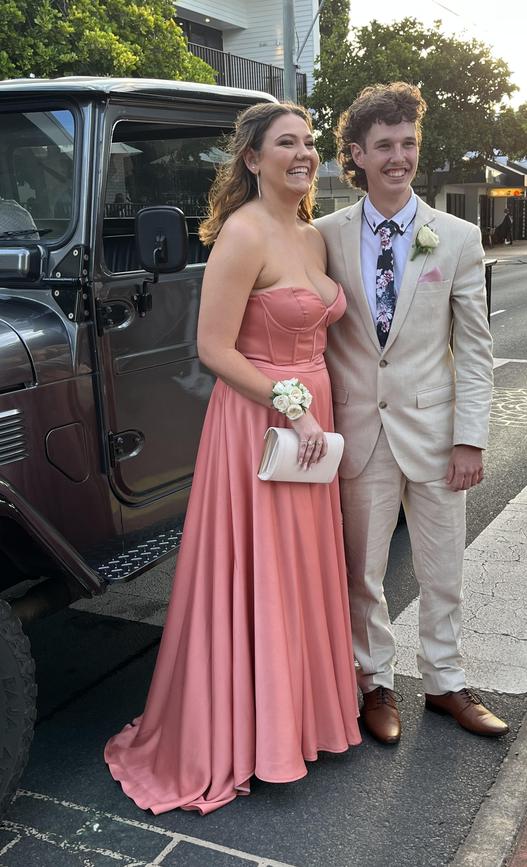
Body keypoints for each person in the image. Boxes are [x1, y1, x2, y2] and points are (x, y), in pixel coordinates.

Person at [105, 102, 361, 814]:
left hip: (312, 422)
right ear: (252, 158)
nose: (304, 153)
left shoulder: (310, 235)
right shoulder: (243, 235)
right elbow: (213, 350)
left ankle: (300, 723)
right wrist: (292, 404)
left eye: (309, 142)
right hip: (260, 425)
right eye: (287, 143)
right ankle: (249, 735)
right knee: (261, 573)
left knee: (302, 569)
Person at [315, 82, 509, 744]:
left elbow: (476, 350)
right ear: (357, 155)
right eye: (385, 146)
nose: (400, 157)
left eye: (409, 143)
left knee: (442, 570)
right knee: (362, 575)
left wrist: (471, 439)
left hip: (435, 434)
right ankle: (374, 683)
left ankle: (445, 682)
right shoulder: (324, 237)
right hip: (360, 432)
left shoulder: (454, 237)